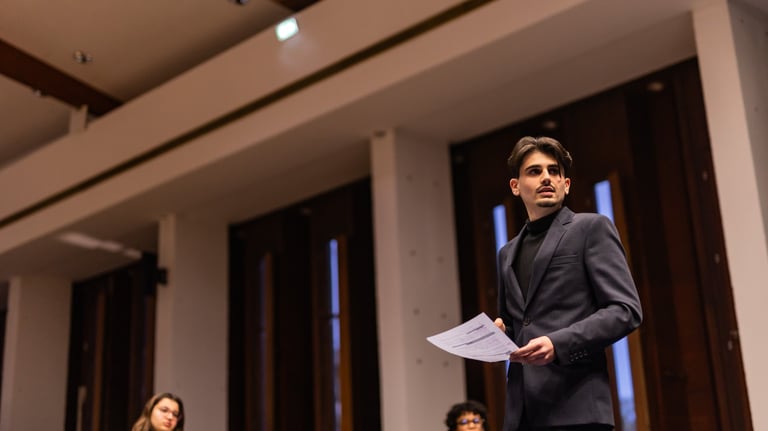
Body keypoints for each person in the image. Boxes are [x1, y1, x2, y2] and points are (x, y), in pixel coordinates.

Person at [494, 136, 642, 431]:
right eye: (534, 171)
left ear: (566, 184)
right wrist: (498, 335)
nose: (546, 177)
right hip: (521, 412)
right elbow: (517, 324)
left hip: (577, 407)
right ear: (515, 186)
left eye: (554, 171)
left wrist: (557, 343)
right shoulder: (506, 253)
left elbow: (625, 310)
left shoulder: (591, 228)